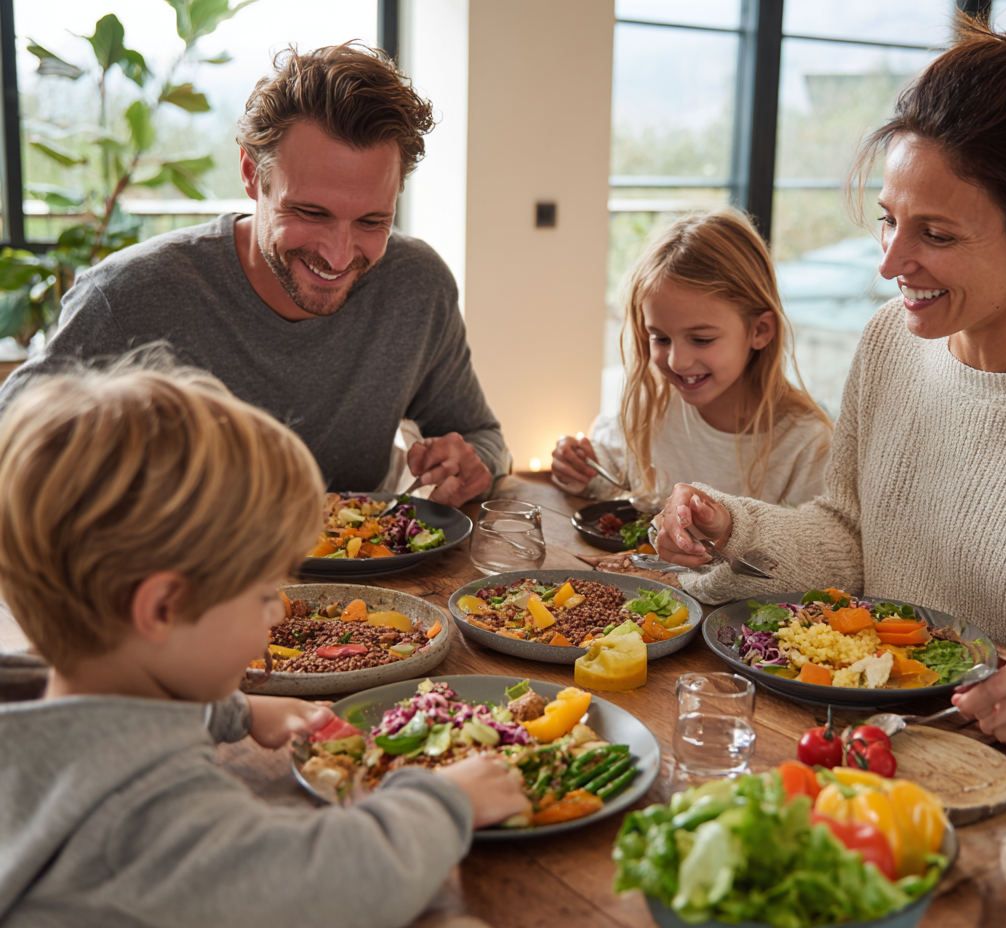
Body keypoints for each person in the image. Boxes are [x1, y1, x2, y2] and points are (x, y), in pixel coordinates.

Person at [654, 16, 1006, 776]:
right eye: (890, 221)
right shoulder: (890, 344)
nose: (892, 261)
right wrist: (737, 529)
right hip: (871, 757)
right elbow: (855, 540)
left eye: (937, 234)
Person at [0, 362, 528, 927]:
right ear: (161, 609)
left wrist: (236, 709)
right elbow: (336, 884)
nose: (277, 609)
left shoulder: (35, 709)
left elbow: (106, 718)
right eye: (259, 593)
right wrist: (446, 801)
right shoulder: (150, 825)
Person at [0, 44, 507, 506]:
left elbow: (483, 436)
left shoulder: (417, 285)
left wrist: (472, 463)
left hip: (365, 595)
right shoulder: (129, 295)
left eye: (373, 221)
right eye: (310, 213)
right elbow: (11, 448)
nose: (337, 255)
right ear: (250, 173)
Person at [552, 208, 832, 506]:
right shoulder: (652, 406)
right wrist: (580, 468)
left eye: (701, 339)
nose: (676, 362)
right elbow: (612, 475)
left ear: (760, 331)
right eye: (660, 338)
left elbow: (812, 546)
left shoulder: (806, 443)